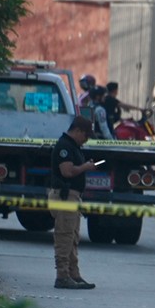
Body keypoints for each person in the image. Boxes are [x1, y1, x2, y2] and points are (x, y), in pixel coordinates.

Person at [50, 116, 98, 290]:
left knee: (72, 237)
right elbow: (67, 171)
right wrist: (85, 167)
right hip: (65, 196)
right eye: (86, 135)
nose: (87, 140)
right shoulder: (65, 146)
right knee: (64, 236)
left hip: (72, 196)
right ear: (77, 131)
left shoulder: (73, 146)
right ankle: (62, 276)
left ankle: (73, 274)